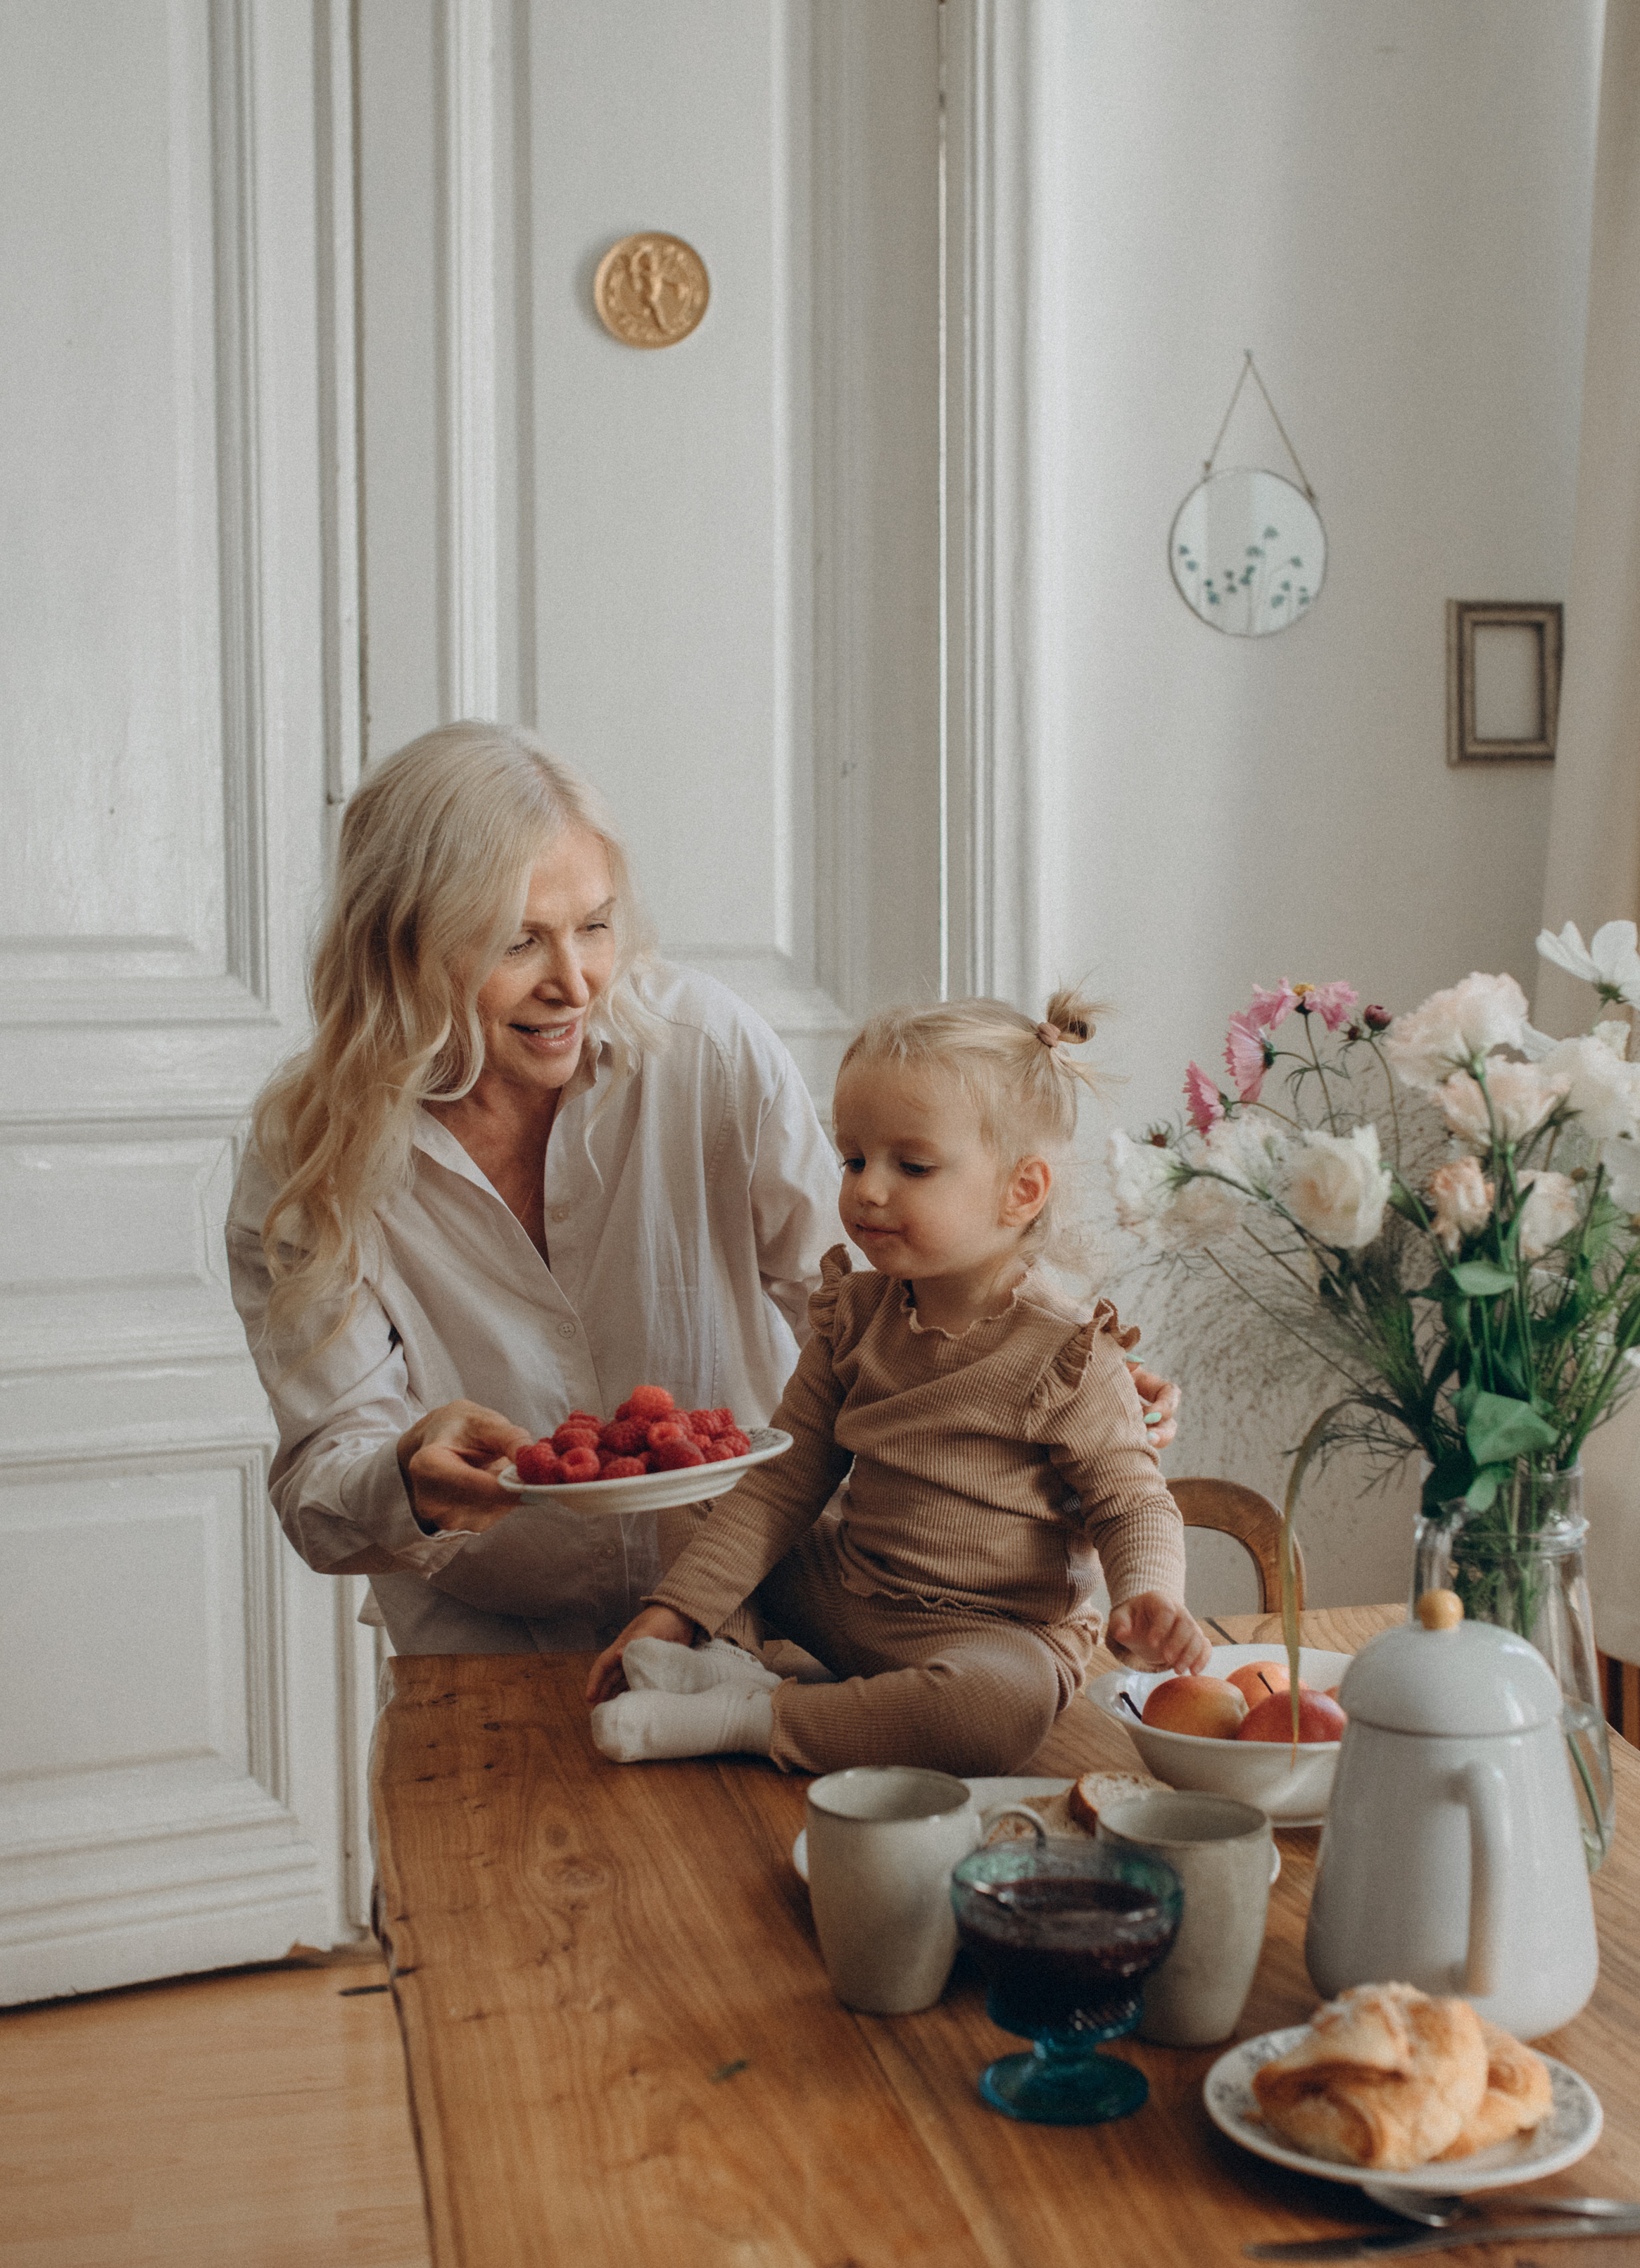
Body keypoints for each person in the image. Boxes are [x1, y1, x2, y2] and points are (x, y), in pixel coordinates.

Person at [227, 724, 1181, 1654]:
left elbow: (880, 1296)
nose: (575, 982)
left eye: (594, 927)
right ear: (399, 947)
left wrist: (1051, 1372)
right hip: (487, 1647)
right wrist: (409, 1479)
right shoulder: (306, 1158)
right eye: (517, 943)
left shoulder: (705, 1051)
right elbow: (322, 1487)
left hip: (762, 1622)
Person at [586, 994, 1211, 1777]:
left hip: (989, 1635)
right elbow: (784, 1481)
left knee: (995, 1711)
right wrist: (674, 1611)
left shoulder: (1068, 1357)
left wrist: (1146, 1594)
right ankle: (730, 1659)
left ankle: (748, 1715)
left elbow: (1132, 1499)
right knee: (704, 1483)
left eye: (910, 1166)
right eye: (853, 1159)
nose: (867, 1190)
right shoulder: (852, 1317)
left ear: (1022, 1190)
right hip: (849, 1593)